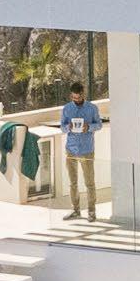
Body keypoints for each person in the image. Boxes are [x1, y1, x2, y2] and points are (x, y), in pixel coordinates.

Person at [57, 82, 101, 220]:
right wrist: (68, 127)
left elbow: (99, 125)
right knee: (73, 182)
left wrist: (89, 127)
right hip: (71, 150)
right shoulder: (67, 108)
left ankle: (91, 211)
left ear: (83, 94)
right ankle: (75, 210)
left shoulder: (92, 108)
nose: (76, 100)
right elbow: (62, 127)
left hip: (87, 150)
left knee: (89, 183)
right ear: (71, 95)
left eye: (78, 97)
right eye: (74, 97)